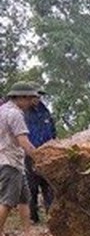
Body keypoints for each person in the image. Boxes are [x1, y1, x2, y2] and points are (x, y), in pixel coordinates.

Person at [0, 83, 39, 236]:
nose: (31, 103)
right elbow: (23, 141)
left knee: (24, 198)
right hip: (9, 161)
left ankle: (27, 233)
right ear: (21, 97)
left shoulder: (3, 109)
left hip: (14, 161)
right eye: (29, 99)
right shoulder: (15, 114)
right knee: (7, 201)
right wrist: (39, 157)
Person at [24, 88, 56, 223]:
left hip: (47, 152)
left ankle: (50, 215)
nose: (38, 98)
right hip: (30, 153)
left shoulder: (45, 112)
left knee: (48, 185)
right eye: (35, 96)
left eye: (40, 96)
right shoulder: (25, 113)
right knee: (32, 187)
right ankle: (33, 217)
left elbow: (53, 130)